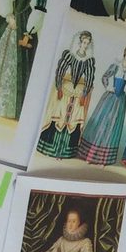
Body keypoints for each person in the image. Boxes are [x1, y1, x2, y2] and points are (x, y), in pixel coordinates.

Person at [36, 31, 95, 160]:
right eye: (84, 42)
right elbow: (61, 70)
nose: (85, 45)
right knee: (59, 116)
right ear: (79, 42)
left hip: (78, 92)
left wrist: (84, 93)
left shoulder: (89, 60)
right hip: (65, 89)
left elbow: (89, 78)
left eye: (87, 43)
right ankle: (50, 148)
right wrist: (59, 87)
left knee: (73, 119)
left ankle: (65, 152)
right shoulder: (70, 54)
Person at [76, 47, 126, 168]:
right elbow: (105, 77)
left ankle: (102, 160)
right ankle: (90, 156)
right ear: (124, 54)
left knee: (112, 127)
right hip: (109, 98)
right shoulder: (116, 66)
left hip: (120, 101)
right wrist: (108, 87)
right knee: (101, 124)